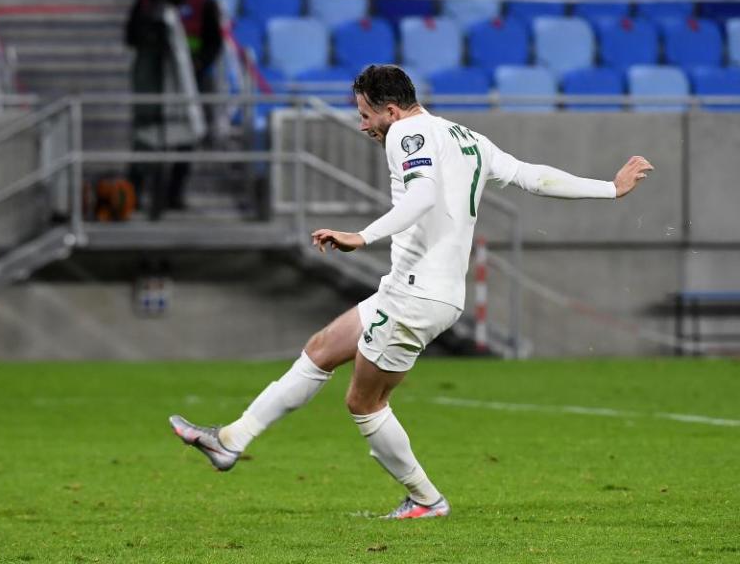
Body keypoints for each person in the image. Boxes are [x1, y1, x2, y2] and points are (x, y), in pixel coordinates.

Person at [169, 64, 654, 519]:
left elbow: (422, 195)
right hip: (409, 289)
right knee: (321, 349)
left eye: (364, 115)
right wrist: (608, 189)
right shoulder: (468, 138)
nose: (363, 126)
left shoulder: (406, 133)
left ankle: (425, 499)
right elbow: (533, 176)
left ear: (391, 110)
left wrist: (362, 236)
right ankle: (231, 440)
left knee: (364, 403)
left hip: (417, 297)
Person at [125, 0, 222, 218]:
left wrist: (197, 64)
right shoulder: (147, 0)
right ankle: (135, 191)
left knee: (186, 137)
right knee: (145, 136)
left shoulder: (203, 1)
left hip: (190, 80)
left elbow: (214, 41)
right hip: (153, 80)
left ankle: (174, 193)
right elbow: (130, 36)